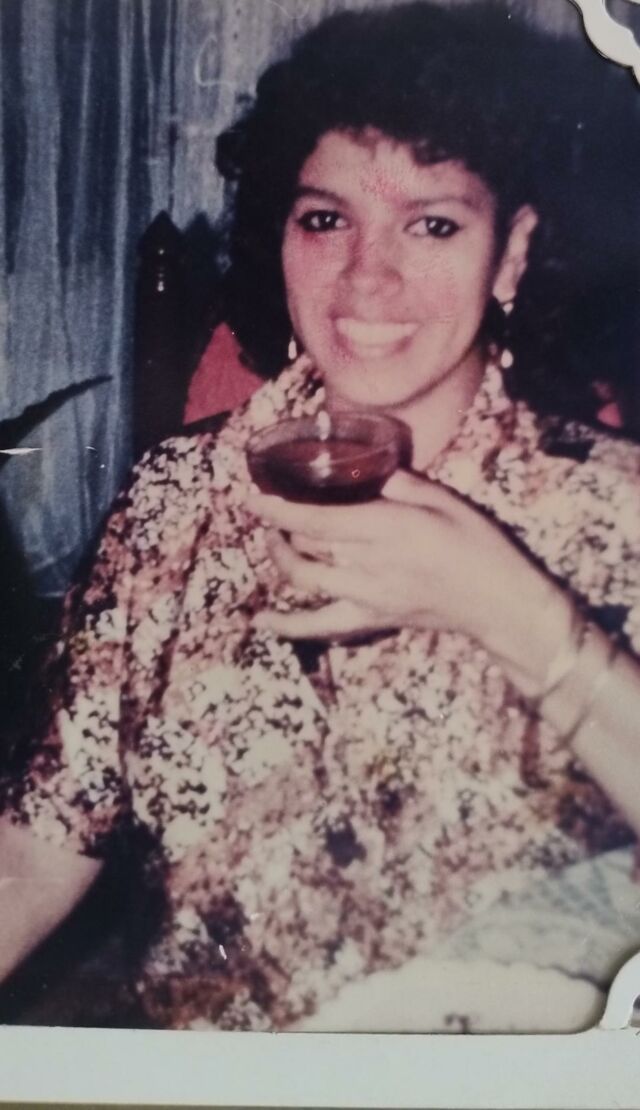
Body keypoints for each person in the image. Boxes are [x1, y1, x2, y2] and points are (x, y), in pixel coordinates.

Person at [1, 0, 640, 1032]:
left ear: (512, 253)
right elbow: (36, 851)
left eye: (432, 224)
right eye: (326, 219)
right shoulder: (173, 500)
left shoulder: (614, 511)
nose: (365, 276)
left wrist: (520, 618)